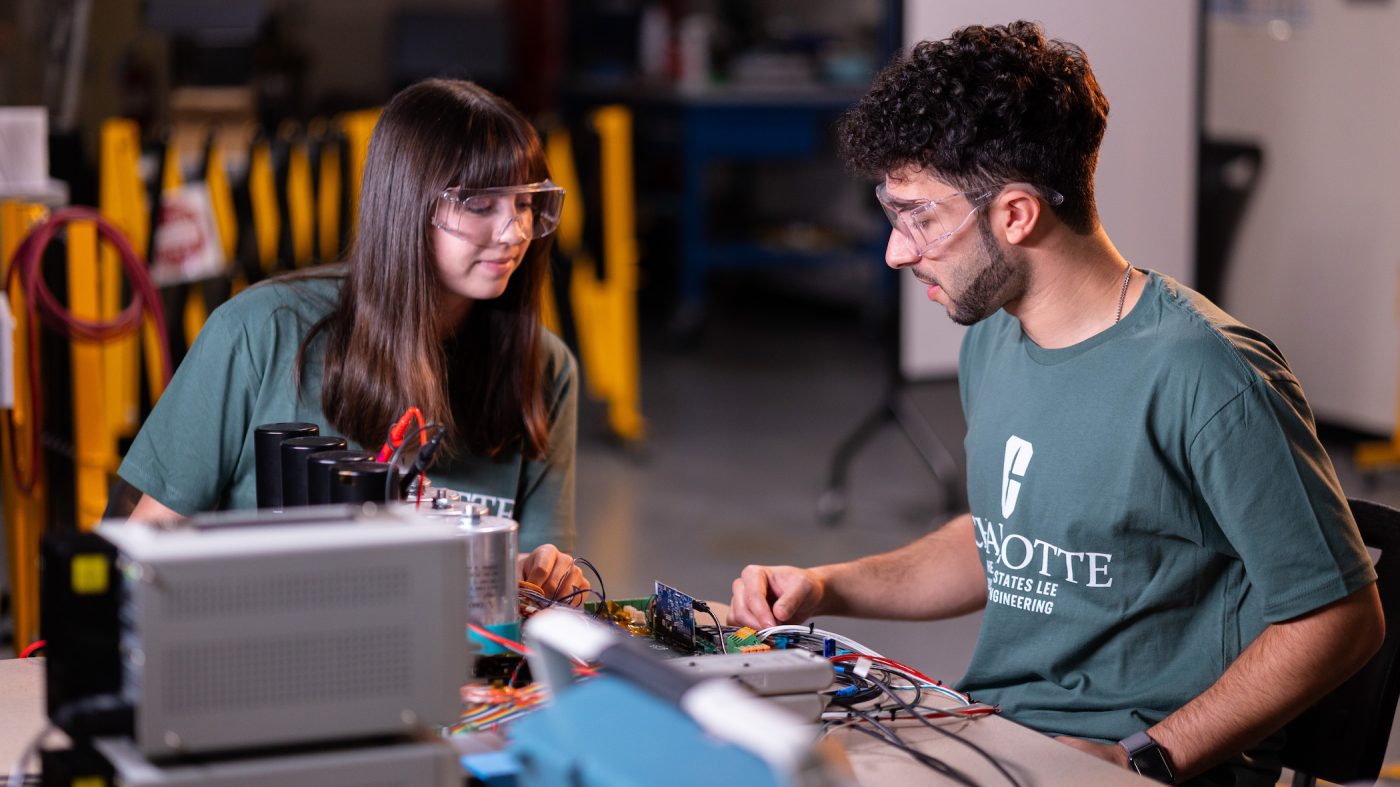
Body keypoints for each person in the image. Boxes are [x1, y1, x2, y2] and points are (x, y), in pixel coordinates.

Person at [728, 22, 1382, 786]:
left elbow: (1342, 619)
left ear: (1015, 214)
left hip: (1139, 765)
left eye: (920, 218)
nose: (897, 251)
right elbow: (1004, 539)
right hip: (995, 734)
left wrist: (1142, 755)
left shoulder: (1208, 375)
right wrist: (825, 585)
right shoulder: (995, 338)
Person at [118, 79, 587, 596]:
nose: (515, 231)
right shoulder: (259, 334)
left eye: (526, 203)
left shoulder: (544, 369)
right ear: (408, 205)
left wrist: (534, 570)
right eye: (481, 205)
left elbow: (533, 592)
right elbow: (141, 553)